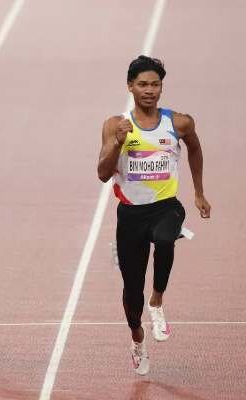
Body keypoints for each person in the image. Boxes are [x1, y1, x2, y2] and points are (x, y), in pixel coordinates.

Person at [97, 55, 211, 375]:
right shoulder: (115, 125)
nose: (149, 90)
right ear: (130, 87)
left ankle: (157, 302)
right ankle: (137, 338)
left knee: (165, 239)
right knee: (131, 294)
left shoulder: (179, 123)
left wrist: (199, 192)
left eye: (155, 85)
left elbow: (195, 149)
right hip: (131, 215)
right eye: (143, 84)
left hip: (166, 207)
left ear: (162, 87)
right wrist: (118, 143)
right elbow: (103, 174)